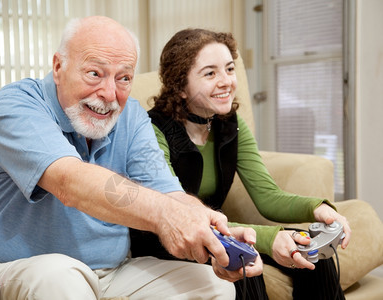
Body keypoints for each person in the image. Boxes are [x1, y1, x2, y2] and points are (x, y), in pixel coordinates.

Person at [0, 17, 263, 300]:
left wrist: (210, 229)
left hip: (112, 270)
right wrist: (166, 216)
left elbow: (167, 191)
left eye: (123, 78)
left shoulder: (131, 115)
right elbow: (70, 182)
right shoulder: (17, 104)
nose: (109, 93)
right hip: (19, 265)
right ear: (58, 67)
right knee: (59, 277)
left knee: (214, 286)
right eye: (95, 73)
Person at [129, 28, 352, 300]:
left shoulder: (231, 125)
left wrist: (319, 209)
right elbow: (175, 213)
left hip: (220, 231)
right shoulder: (153, 131)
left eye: (230, 69)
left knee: (313, 254)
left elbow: (268, 196)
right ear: (180, 86)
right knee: (243, 264)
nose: (226, 81)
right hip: (169, 242)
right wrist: (270, 239)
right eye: (210, 73)